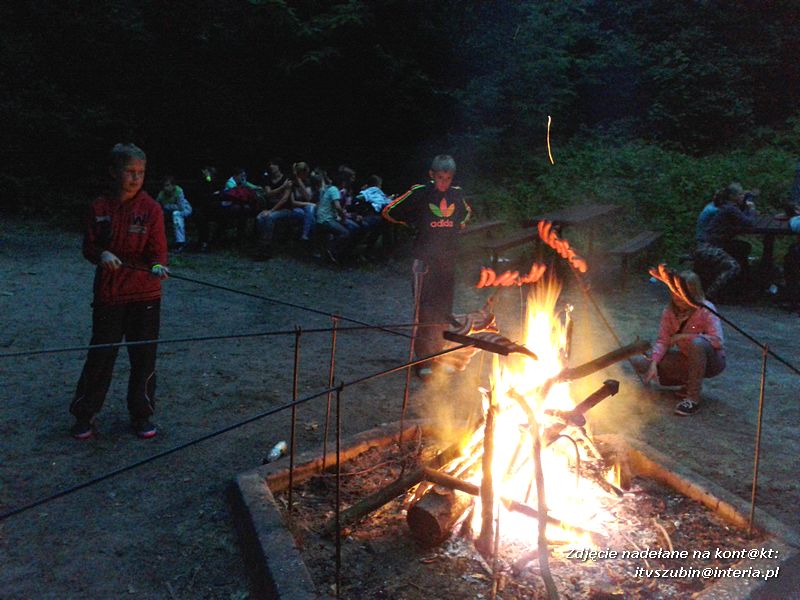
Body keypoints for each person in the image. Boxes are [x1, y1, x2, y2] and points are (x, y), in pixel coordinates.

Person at [69, 143, 169, 440]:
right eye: (130, 172)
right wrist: (102, 254)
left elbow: (158, 251)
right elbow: (89, 246)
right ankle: (85, 413)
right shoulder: (99, 208)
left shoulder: (151, 209)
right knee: (101, 356)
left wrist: (157, 265)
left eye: (141, 172)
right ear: (114, 172)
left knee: (144, 357)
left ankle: (142, 413)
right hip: (110, 295)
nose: (136, 178)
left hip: (145, 295)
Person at [382, 154, 472, 377]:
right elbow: (389, 211)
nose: (444, 183)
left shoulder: (456, 194)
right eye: (440, 178)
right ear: (432, 175)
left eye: (448, 178)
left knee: (443, 312)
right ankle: (423, 362)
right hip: (424, 263)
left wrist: (457, 225)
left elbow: (466, 213)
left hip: (447, 262)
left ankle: (438, 357)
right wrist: (413, 224)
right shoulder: (420, 193)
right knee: (424, 312)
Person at [631, 271, 725, 416]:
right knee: (639, 361)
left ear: (694, 293)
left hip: (712, 362)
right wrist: (654, 364)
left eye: (685, 292)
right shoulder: (669, 311)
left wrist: (683, 336)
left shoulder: (706, 309)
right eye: (676, 292)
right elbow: (663, 340)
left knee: (697, 343)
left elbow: (717, 341)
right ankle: (686, 384)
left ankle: (692, 398)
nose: (679, 297)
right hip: (686, 359)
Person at [693, 182, 756, 300]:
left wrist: (747, 208)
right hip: (708, 246)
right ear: (732, 197)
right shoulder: (730, 209)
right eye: (741, 195)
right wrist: (752, 209)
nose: (743, 197)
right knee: (733, 267)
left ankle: (739, 289)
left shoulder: (729, 207)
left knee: (743, 247)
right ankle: (708, 296)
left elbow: (744, 220)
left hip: (716, 243)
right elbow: (749, 223)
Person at [255, 161, 315, 259]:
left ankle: (266, 247)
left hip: (290, 210)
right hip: (289, 208)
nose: (271, 166)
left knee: (310, 210)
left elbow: (304, 198)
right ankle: (264, 245)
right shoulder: (286, 181)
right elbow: (270, 195)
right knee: (260, 219)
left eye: (273, 164)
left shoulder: (299, 182)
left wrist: (298, 180)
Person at [313, 168, 352, 262]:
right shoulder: (334, 190)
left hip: (321, 217)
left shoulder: (329, 188)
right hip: (325, 219)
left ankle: (333, 251)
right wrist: (343, 217)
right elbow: (338, 207)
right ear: (342, 182)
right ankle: (331, 249)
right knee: (345, 233)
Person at [156, 175, 192, 252]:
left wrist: (167, 206)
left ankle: (180, 243)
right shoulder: (161, 194)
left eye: (168, 185)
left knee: (176, 214)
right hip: (169, 212)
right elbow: (156, 207)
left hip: (185, 209)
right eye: (164, 186)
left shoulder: (179, 191)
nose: (166, 188)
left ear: (173, 185)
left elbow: (181, 207)